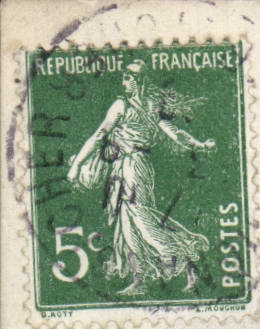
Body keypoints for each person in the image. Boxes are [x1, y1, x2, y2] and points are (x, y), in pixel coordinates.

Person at [66, 61, 215, 294]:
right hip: (130, 167)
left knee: (141, 219)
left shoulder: (123, 105)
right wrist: (200, 145)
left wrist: (76, 165)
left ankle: (182, 252)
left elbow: (98, 136)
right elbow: (176, 134)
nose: (124, 82)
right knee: (127, 226)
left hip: (132, 168)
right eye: (124, 77)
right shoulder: (150, 105)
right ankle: (140, 280)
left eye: (128, 78)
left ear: (139, 81)